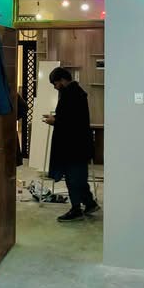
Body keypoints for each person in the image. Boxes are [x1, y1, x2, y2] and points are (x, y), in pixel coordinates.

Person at [43, 67, 100, 222]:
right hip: (78, 144)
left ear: (62, 80)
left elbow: (72, 122)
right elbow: (71, 117)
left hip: (74, 145)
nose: (55, 87)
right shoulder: (75, 93)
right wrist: (56, 118)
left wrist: (55, 121)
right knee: (79, 176)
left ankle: (76, 209)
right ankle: (89, 203)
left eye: (55, 84)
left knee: (73, 178)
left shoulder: (71, 95)